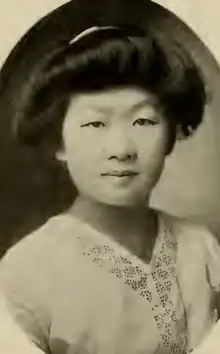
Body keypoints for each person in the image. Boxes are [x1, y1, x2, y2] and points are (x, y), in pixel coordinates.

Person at [0, 25, 219, 354]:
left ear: (171, 136)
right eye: (95, 124)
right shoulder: (23, 275)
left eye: (144, 121)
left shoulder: (203, 249)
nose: (121, 149)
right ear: (59, 142)